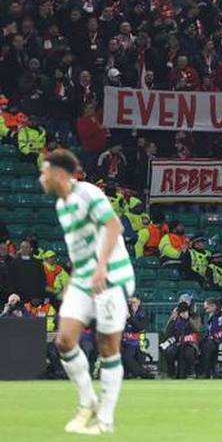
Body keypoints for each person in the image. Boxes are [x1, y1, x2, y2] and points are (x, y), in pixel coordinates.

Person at [41, 149, 134, 435]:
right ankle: (87, 402)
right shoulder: (61, 205)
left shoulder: (88, 193)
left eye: (44, 172)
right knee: (65, 340)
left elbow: (113, 225)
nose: (41, 178)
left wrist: (101, 267)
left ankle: (105, 419)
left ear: (58, 174)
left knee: (108, 347)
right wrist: (74, 278)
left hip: (111, 276)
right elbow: (80, 247)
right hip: (83, 278)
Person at [161, 295, 201, 379]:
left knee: (188, 352)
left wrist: (188, 319)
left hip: (190, 343)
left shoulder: (194, 316)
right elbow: (167, 333)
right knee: (169, 352)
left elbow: (197, 329)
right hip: (177, 342)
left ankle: (191, 373)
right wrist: (172, 319)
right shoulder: (175, 316)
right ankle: (171, 372)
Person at [121, 296, 152, 379]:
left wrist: (130, 318)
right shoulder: (125, 312)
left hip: (136, 342)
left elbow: (140, 327)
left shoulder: (142, 313)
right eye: (130, 303)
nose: (132, 305)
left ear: (139, 302)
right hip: (124, 341)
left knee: (127, 357)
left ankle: (144, 374)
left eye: (134, 302)